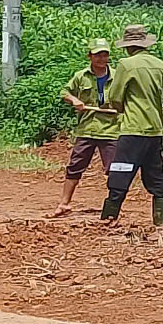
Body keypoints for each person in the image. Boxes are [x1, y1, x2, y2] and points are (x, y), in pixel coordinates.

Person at [98, 23, 163, 227]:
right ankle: (159, 222)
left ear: (127, 46)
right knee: (155, 175)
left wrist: (120, 107)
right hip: (154, 131)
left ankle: (109, 217)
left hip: (133, 130)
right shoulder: (161, 66)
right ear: (145, 44)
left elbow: (115, 98)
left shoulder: (126, 65)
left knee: (120, 172)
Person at [55, 37, 121, 215]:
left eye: (105, 55)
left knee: (113, 168)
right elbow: (64, 91)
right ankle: (64, 203)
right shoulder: (81, 76)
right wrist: (74, 99)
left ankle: (113, 206)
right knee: (75, 165)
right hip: (87, 128)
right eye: (97, 55)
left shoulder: (118, 77)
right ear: (90, 56)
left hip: (111, 129)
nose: (101, 59)